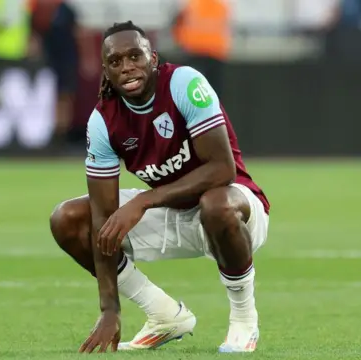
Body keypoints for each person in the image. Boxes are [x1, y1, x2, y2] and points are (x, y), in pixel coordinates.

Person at [49, 21, 270, 354]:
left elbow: (222, 170)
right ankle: (163, 314)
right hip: (173, 212)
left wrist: (143, 201)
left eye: (134, 56)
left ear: (152, 58)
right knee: (68, 218)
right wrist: (109, 307)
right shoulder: (103, 120)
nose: (127, 67)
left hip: (235, 210)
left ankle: (243, 319)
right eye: (116, 61)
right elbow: (101, 218)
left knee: (215, 203)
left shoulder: (184, 83)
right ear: (106, 71)